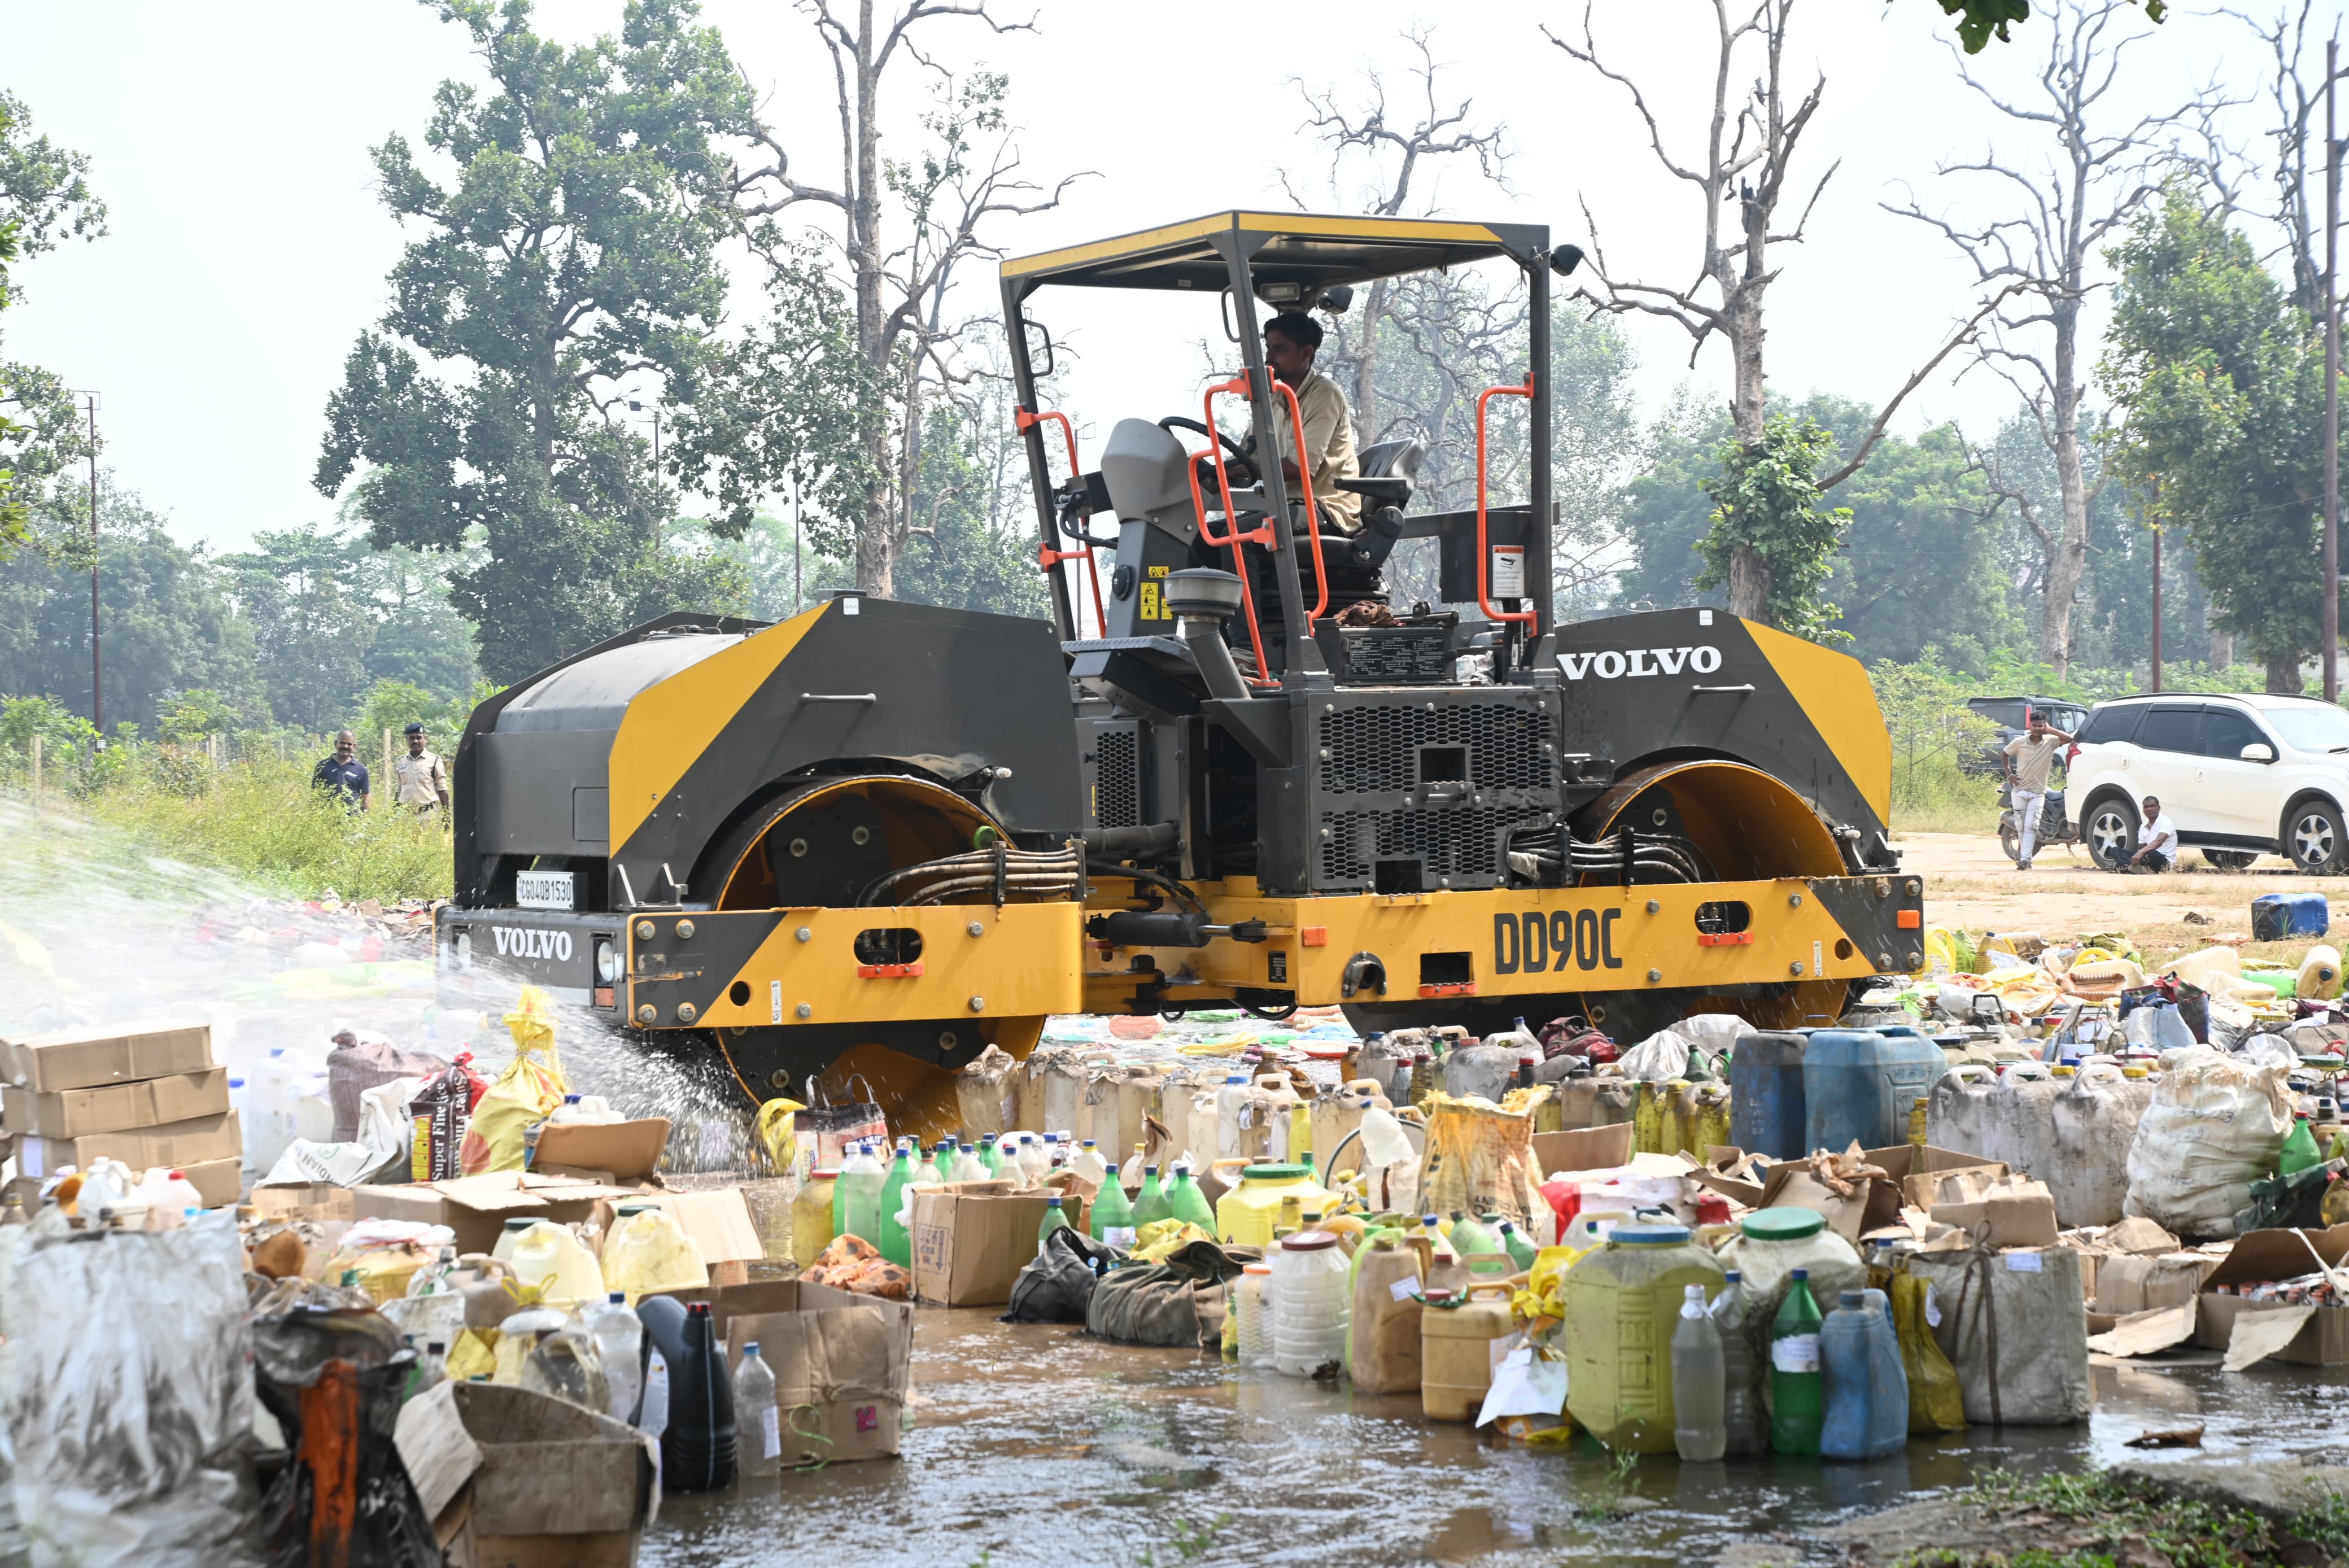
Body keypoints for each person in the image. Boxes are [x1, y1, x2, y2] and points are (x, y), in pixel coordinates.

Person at [1200, 313, 1362, 534]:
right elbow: (1248, 457)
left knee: (1234, 535)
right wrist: (1211, 473)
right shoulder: (1273, 400)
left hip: (1326, 509)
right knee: (1201, 538)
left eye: (1279, 349)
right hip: (1284, 506)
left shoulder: (1325, 394)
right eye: (1268, 348)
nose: (1269, 357)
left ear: (1305, 353)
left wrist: (1237, 470)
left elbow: (1300, 467)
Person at [2002, 710, 2074, 870]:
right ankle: (2025, 859)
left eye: (2041, 726)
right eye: (2034, 725)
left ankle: (2026, 859)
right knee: (2020, 826)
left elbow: (2069, 739)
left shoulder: (2050, 741)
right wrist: (2010, 776)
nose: (2037, 728)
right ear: (2029, 725)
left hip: (2038, 792)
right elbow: (2005, 754)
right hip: (2019, 791)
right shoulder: (2020, 742)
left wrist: (2051, 730)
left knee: (2032, 825)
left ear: (2044, 726)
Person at [391, 721, 451, 812]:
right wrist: (393, 811)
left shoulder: (435, 760)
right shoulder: (402, 761)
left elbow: (442, 788)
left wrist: (446, 814)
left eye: (419, 738)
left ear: (425, 739)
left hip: (427, 815)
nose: (415, 741)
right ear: (407, 740)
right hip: (404, 816)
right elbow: (400, 788)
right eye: (412, 738)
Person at [312, 730, 369, 811]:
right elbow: (315, 793)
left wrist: (365, 817)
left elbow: (364, 796)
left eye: (349, 744)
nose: (346, 746)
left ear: (354, 746)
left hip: (352, 820)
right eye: (342, 743)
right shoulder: (322, 766)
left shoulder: (361, 769)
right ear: (336, 744)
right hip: (327, 817)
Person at [2128, 795, 2178, 874]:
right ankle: (2138, 869)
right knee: (2115, 851)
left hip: (2163, 860)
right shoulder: (2143, 827)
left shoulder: (2166, 822)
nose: (2149, 809)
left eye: (2152, 806)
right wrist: (2137, 856)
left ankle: (2128, 868)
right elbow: (2141, 848)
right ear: (2143, 810)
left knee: (2152, 853)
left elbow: (2159, 841)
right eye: (2146, 807)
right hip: (2148, 858)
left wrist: (2140, 853)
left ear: (2159, 808)